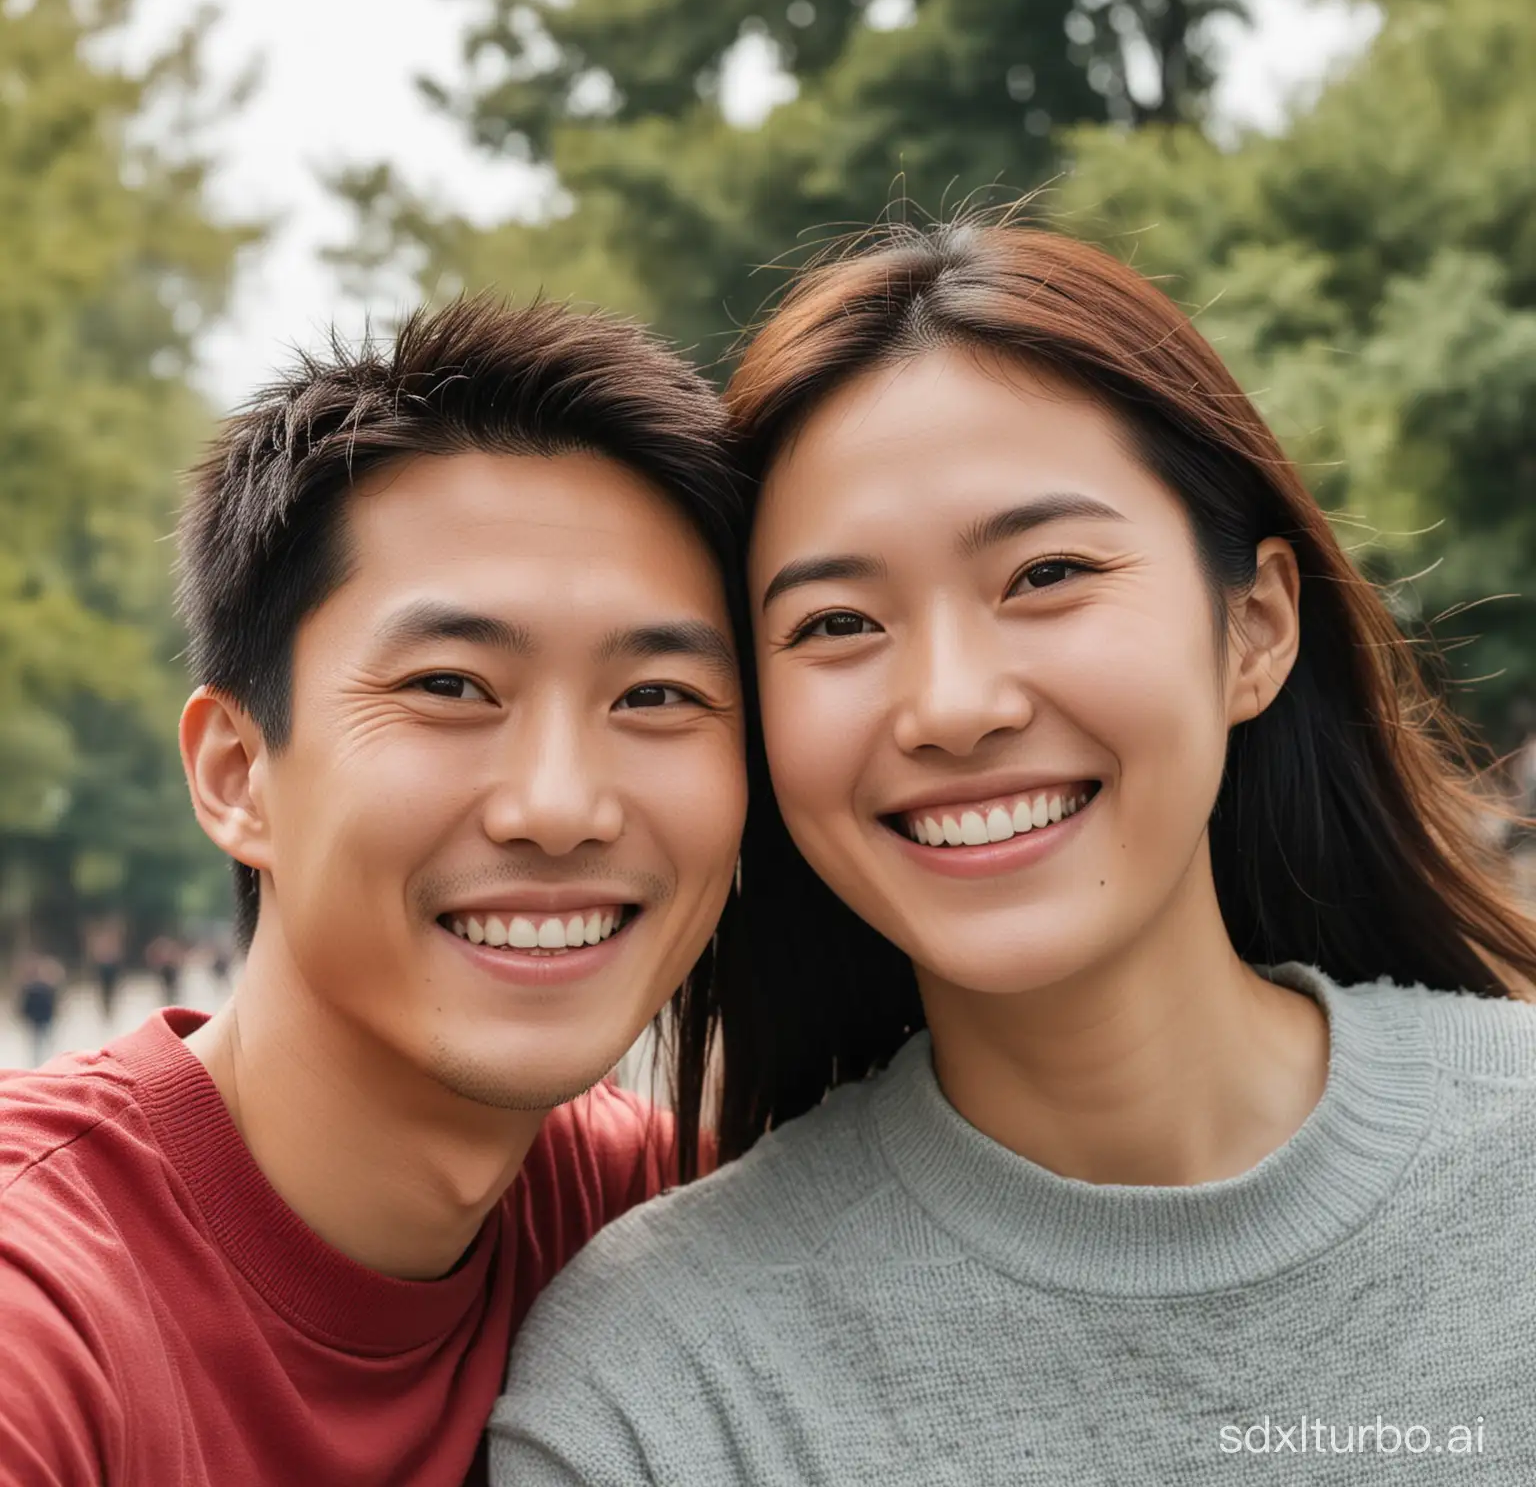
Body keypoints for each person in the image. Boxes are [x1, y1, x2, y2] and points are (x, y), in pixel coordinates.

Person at [490, 220, 1536, 1483]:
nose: (951, 706)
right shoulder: (661, 1388)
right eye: (835, 622)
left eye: (1045, 573)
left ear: (1254, 629)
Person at [0, 295, 747, 1486]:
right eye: (453, 686)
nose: (560, 807)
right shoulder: (46, 1318)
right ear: (239, 777)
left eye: (656, 696)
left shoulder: (672, 1214)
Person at [13, 955, 64, 1068]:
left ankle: (44, 1061)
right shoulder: (37, 988)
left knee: (40, 1042)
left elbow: (26, 1005)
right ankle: (45, 1061)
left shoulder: (35, 988)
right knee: (41, 1041)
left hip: (40, 1019)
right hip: (40, 1019)